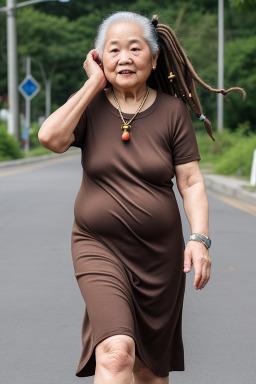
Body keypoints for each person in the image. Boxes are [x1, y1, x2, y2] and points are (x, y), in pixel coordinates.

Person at [38, 11, 246, 384]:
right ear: (99, 58)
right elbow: (50, 138)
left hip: (158, 256)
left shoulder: (172, 112)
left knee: (149, 370)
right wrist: (93, 84)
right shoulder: (90, 106)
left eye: (136, 48)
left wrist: (199, 238)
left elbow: (192, 181)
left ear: (153, 58)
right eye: (113, 50)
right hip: (97, 245)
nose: (125, 57)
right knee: (117, 353)